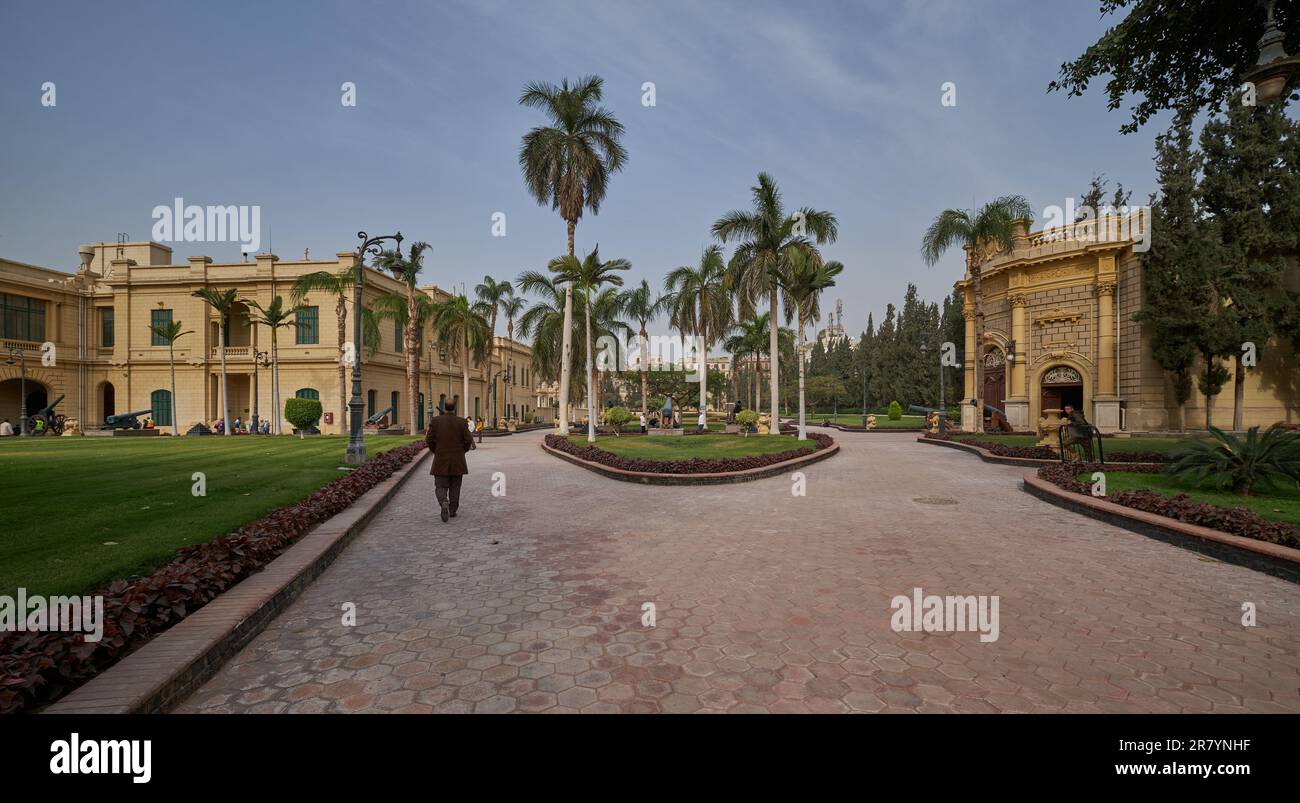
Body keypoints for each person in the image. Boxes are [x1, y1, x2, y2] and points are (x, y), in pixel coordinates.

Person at [426, 399, 475, 523]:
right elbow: (468, 439)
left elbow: (429, 439)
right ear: (454, 408)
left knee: (440, 485)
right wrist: (462, 450)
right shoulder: (461, 422)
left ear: (444, 407)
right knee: (455, 486)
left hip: (441, 458)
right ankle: (452, 510)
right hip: (458, 459)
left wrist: (435, 450)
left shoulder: (436, 421)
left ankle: (443, 501)